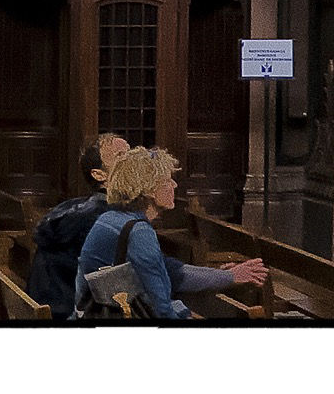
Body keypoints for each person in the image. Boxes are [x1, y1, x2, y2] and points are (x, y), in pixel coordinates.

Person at [72, 146, 267, 321]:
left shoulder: (111, 218)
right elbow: (160, 309)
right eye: (167, 180)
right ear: (148, 190)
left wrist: (226, 275)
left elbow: (171, 271)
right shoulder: (139, 231)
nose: (174, 185)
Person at [26, 132, 129, 317]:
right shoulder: (103, 219)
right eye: (121, 156)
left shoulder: (77, 207)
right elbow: (121, 289)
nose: (134, 161)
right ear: (99, 175)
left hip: (51, 306)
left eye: (132, 152)